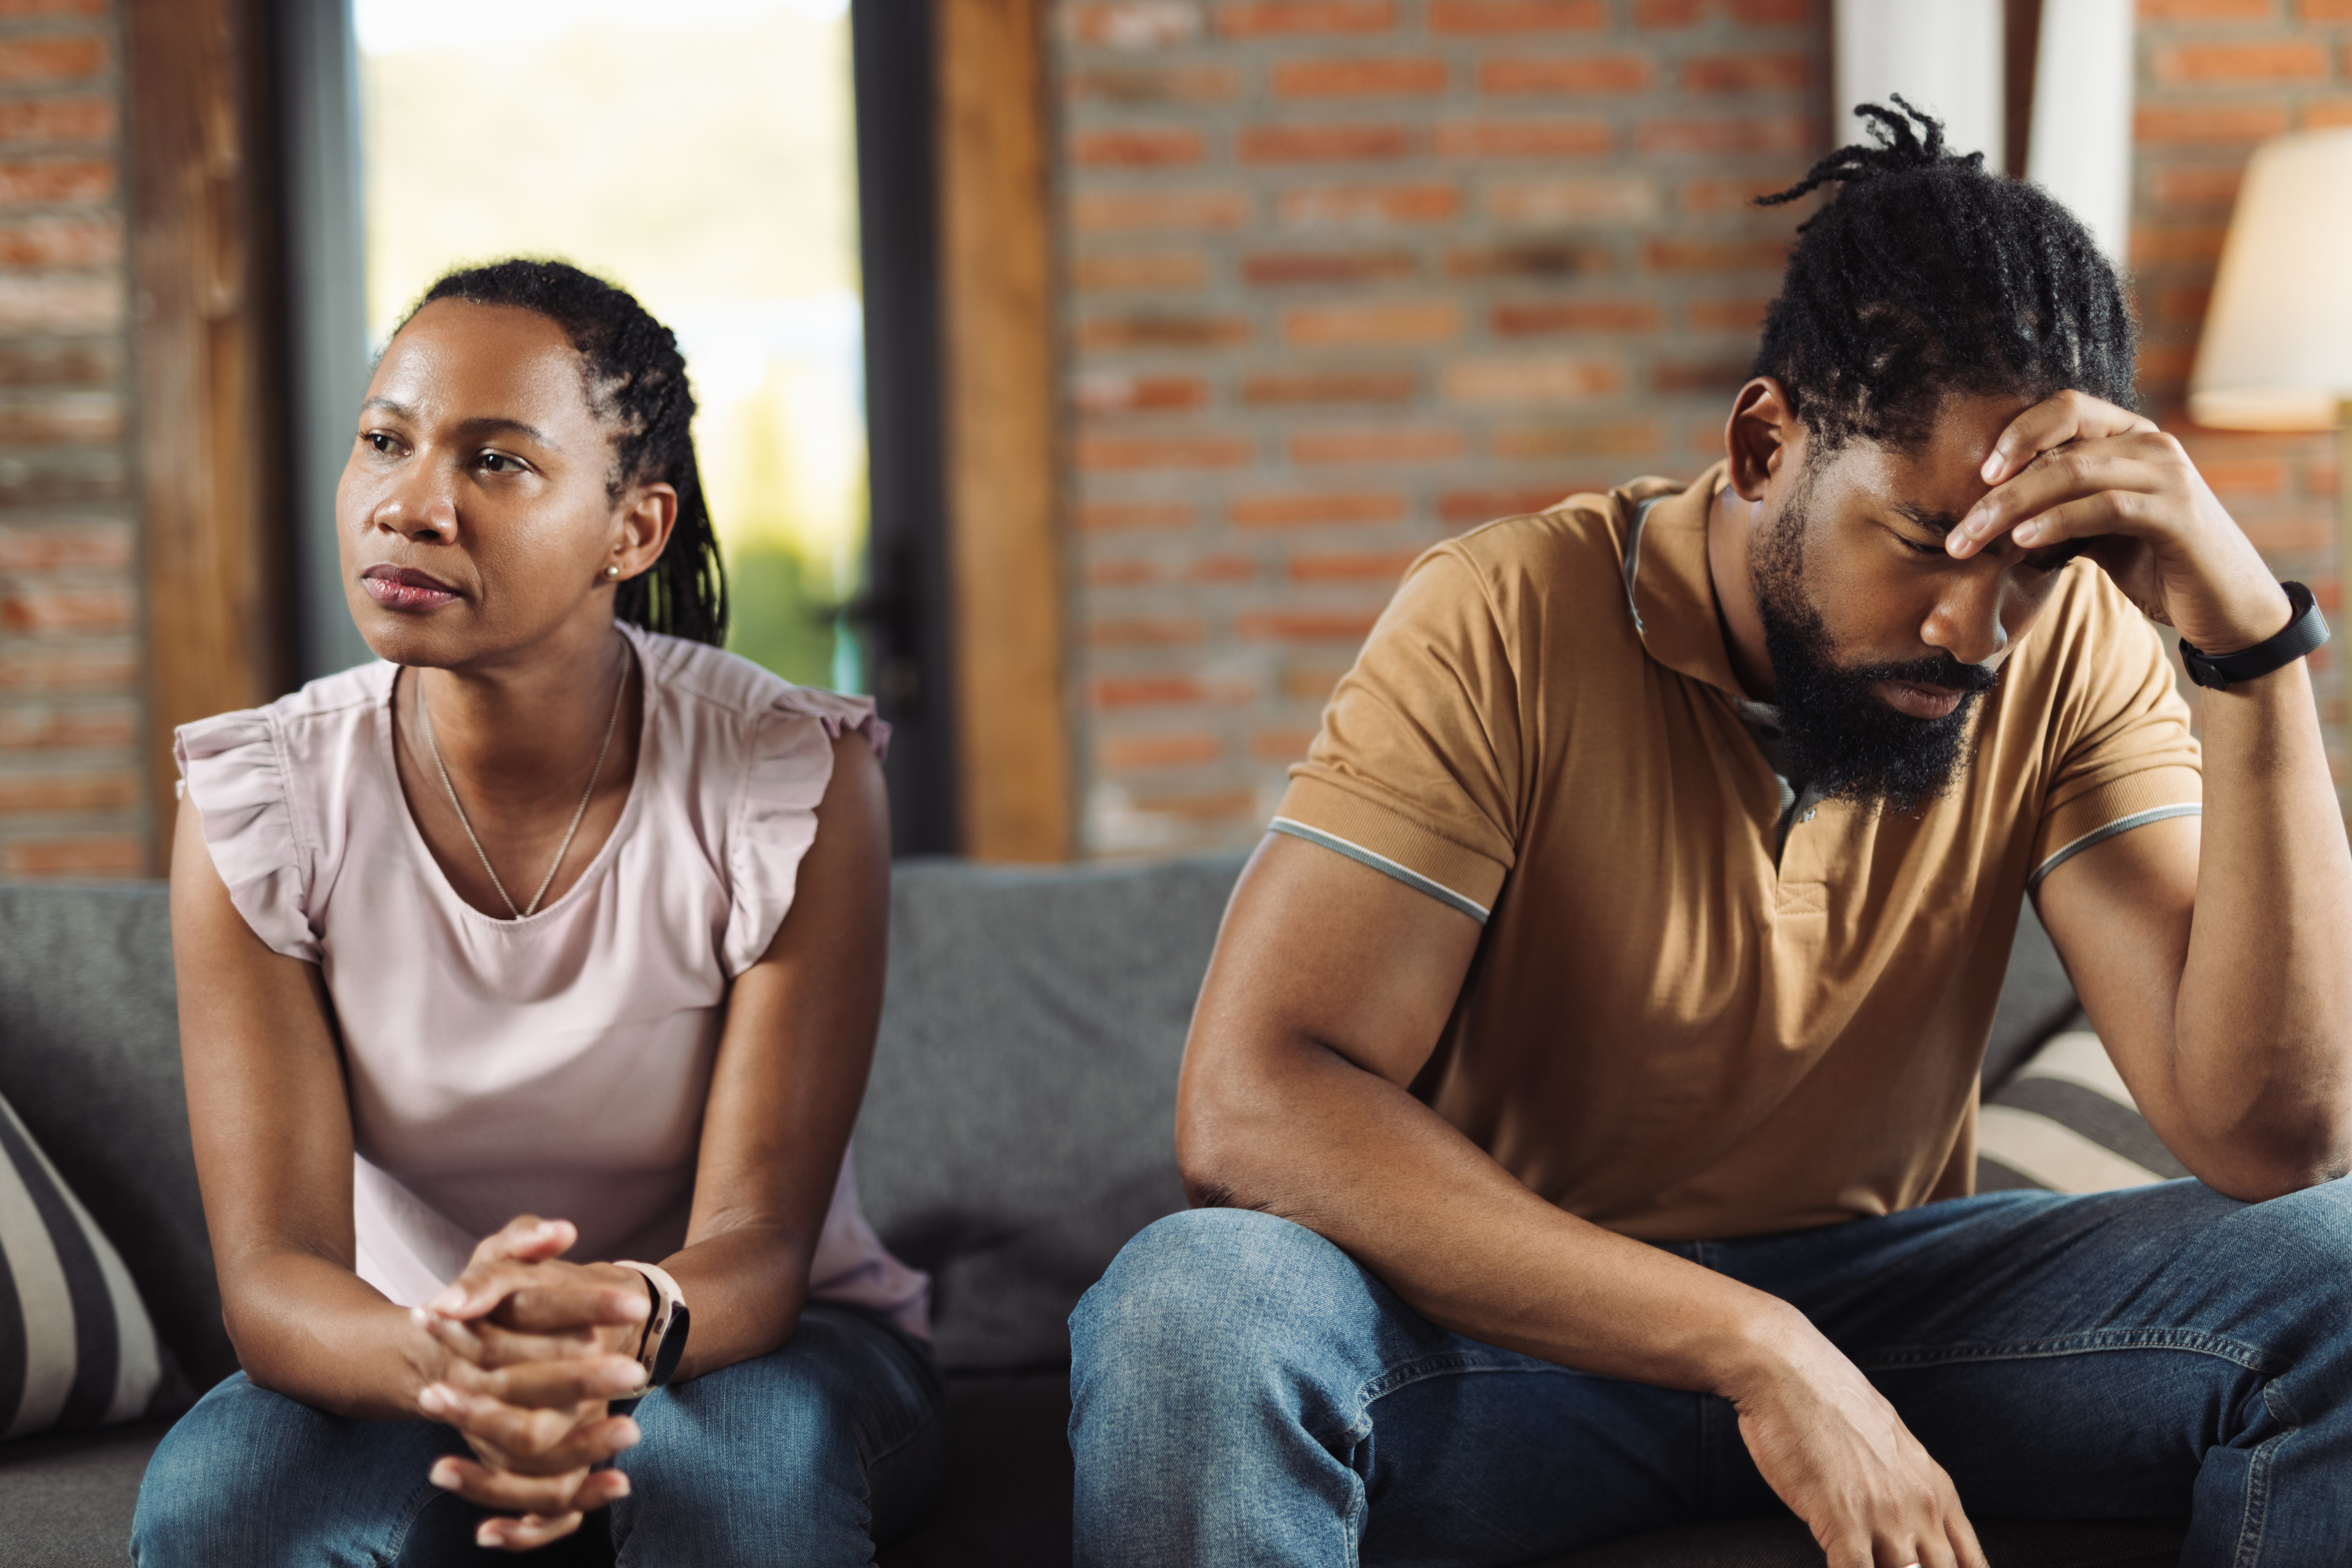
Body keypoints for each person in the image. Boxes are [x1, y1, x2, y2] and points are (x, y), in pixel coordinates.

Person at [1070, 101, 2352, 1568]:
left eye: (2030, 572)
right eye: (1928, 542)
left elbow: (2275, 1134)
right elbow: (1252, 1102)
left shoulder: (2068, 656)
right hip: (1506, 1343)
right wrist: (1752, 1345)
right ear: (1762, 445)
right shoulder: (1503, 615)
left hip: (1898, 1320)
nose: (1972, 628)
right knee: (1191, 1303)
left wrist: (2247, 644)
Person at [131, 260, 940, 1564]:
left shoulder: (789, 776)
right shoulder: (259, 797)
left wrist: (618, 1323)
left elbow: (759, 1239)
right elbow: (276, 1279)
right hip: (406, 1342)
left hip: (730, 1333)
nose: (410, 505)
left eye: (496, 462)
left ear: (633, 529)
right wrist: (460, 1367)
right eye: (385, 441)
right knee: (226, 1496)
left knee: (718, 1473)